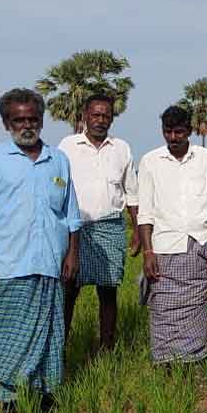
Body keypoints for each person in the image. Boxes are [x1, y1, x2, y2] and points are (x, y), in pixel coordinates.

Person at [0, 88, 80, 411]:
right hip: (7, 264)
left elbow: (71, 215)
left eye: (33, 119)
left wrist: (72, 254)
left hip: (50, 262)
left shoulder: (58, 160)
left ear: (42, 120)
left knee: (49, 332)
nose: (27, 125)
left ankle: (44, 394)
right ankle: (8, 397)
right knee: (7, 334)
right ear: (6, 122)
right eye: (19, 120)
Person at [136, 106, 207, 364]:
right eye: (168, 132)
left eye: (179, 132)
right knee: (162, 305)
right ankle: (164, 359)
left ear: (190, 131)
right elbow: (145, 212)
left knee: (195, 304)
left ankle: (193, 358)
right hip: (163, 245)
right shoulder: (150, 161)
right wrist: (147, 252)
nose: (173, 138)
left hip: (199, 243)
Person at [58, 93, 138, 350]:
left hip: (110, 226)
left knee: (108, 290)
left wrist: (137, 229)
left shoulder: (121, 148)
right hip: (75, 230)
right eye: (96, 115)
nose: (100, 120)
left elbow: (132, 192)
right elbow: (57, 185)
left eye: (106, 116)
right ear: (84, 115)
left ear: (112, 119)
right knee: (69, 290)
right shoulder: (67, 146)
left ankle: (106, 348)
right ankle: (61, 346)